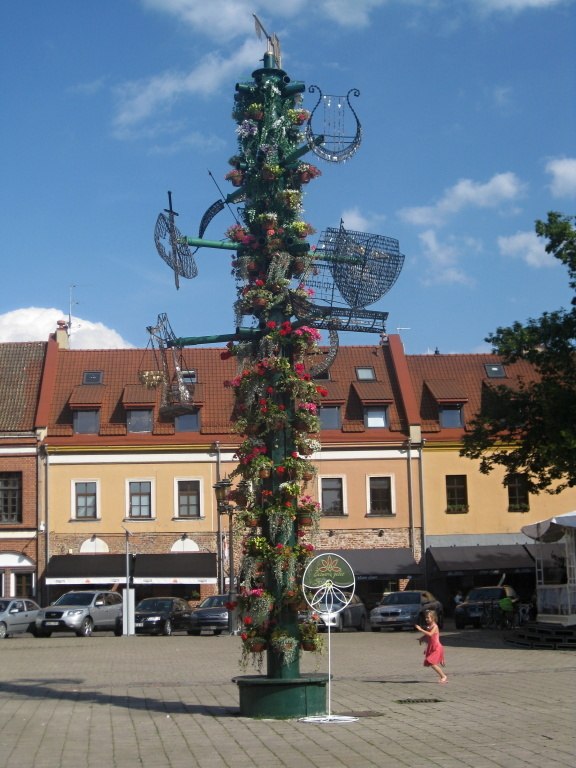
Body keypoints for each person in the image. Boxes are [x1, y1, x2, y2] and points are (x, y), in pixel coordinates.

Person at [415, 609, 448, 684]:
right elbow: (427, 635)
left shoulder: (435, 626)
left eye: (428, 617)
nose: (426, 619)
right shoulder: (429, 626)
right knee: (430, 662)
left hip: (436, 647)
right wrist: (422, 638)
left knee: (431, 663)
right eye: (426, 617)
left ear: (433, 618)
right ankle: (441, 660)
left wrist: (421, 629)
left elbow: (430, 634)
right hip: (431, 647)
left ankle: (443, 676)